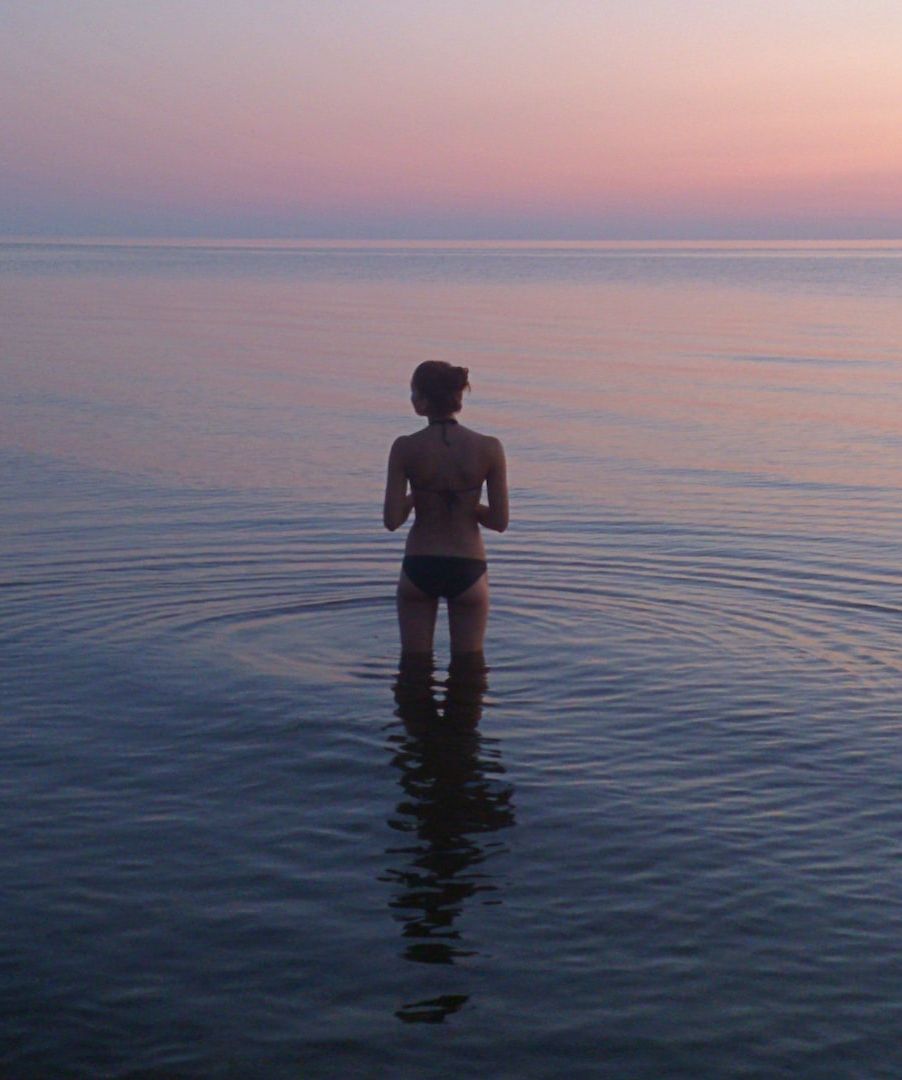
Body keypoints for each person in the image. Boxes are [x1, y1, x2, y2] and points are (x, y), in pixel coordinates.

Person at [383, 361, 508, 660]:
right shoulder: (490, 448)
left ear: (424, 401)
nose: (411, 398)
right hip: (468, 568)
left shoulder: (404, 448)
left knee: (413, 667)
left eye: (413, 392)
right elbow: (499, 521)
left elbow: (391, 520)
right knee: (470, 670)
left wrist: (419, 498)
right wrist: (467, 505)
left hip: (419, 565)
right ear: (457, 399)